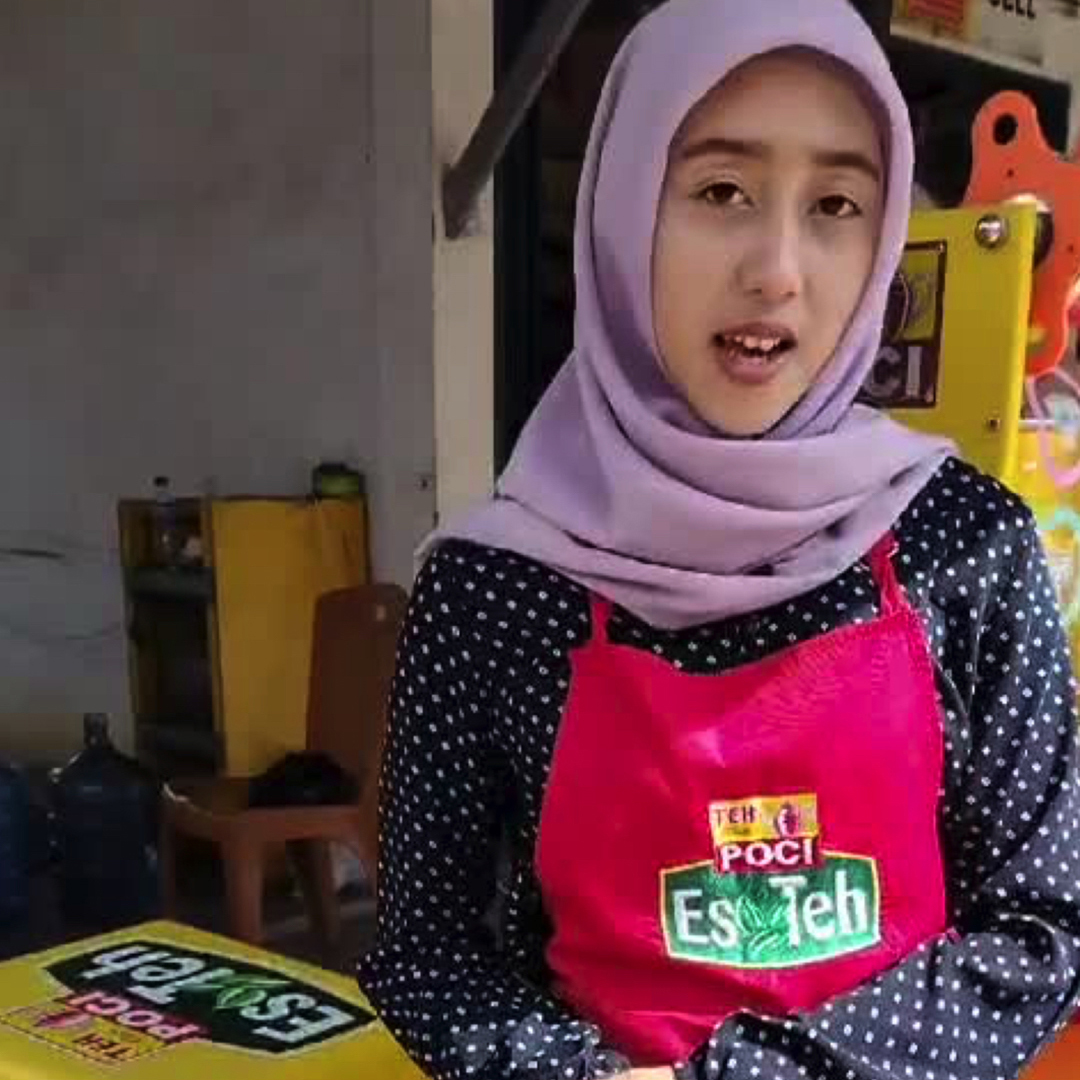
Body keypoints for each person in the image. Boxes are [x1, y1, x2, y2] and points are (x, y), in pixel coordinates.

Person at [358, 0, 1080, 1077]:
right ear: (621, 210)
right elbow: (424, 948)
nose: (778, 269)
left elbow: (1045, 929)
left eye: (835, 203)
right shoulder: (494, 586)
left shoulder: (966, 548)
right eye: (721, 191)